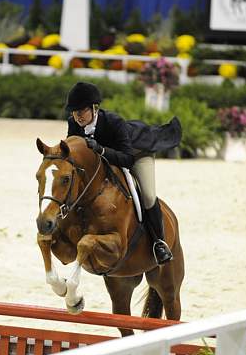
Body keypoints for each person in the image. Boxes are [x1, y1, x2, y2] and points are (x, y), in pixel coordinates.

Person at [65, 81, 182, 265]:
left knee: (148, 195)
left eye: (81, 111)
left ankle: (159, 243)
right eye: (74, 111)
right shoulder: (74, 123)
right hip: (109, 158)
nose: (77, 116)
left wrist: (101, 150)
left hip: (137, 152)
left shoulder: (114, 122)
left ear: (94, 108)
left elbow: (127, 159)